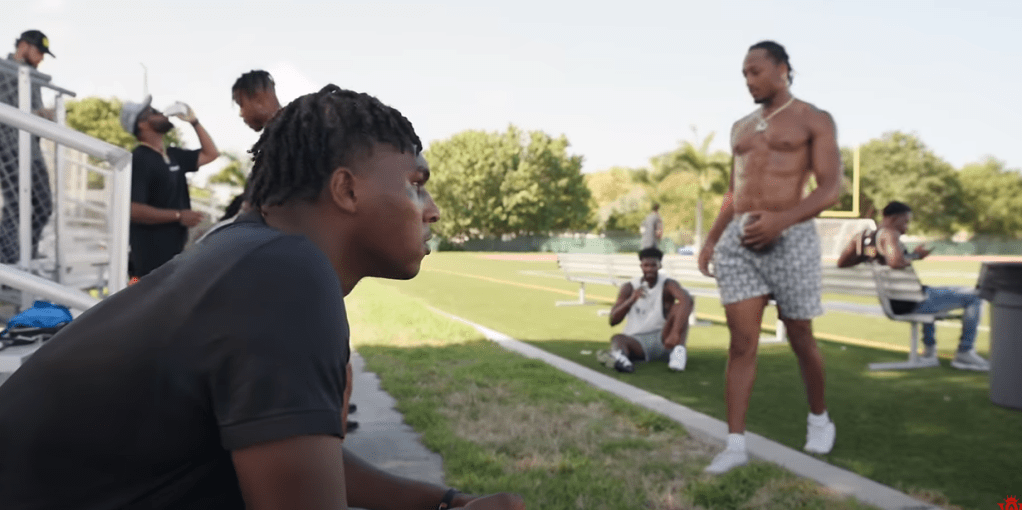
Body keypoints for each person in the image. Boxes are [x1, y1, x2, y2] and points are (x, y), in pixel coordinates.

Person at [0, 86, 524, 510]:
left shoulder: (247, 252)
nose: (430, 209)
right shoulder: (287, 274)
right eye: (415, 185)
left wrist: (444, 502)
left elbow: (292, 456)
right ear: (346, 189)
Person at [697, 41, 842, 474]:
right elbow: (733, 190)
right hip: (739, 243)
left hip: (791, 236)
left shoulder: (814, 119)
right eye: (744, 73)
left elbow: (830, 187)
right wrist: (711, 239)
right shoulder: (740, 127)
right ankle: (735, 443)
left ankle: (819, 418)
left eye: (756, 71)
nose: (748, 80)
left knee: (800, 336)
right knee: (741, 343)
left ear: (782, 70)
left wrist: (781, 222)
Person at [837, 201, 989, 371]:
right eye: (906, 221)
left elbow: (842, 262)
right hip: (910, 301)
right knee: (976, 296)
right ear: (894, 218)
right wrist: (917, 255)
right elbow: (894, 262)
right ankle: (965, 352)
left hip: (899, 299)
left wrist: (868, 256)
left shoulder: (863, 238)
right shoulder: (889, 233)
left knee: (932, 290)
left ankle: (930, 353)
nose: (907, 227)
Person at [120, 95, 219, 280]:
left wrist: (194, 121)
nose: (161, 113)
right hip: (151, 266)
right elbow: (134, 210)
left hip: (173, 259)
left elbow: (211, 153)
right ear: (141, 124)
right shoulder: (140, 158)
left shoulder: (172, 154)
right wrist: (179, 216)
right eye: (153, 112)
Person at [0, 30, 56, 264]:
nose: (42, 57)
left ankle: (24, 255)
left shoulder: (32, 76)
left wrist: (43, 116)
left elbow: (32, 112)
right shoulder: (4, 69)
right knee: (16, 207)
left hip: (31, 149)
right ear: (24, 46)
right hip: (9, 147)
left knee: (43, 205)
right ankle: (8, 264)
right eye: (39, 51)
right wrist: (37, 115)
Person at [597, 247, 692, 373]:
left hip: (664, 339)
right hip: (637, 342)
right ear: (641, 266)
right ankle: (622, 360)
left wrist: (674, 333)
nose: (649, 269)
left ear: (660, 266)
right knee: (617, 339)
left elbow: (687, 300)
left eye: (653, 265)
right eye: (646, 265)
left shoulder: (668, 284)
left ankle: (679, 354)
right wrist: (631, 300)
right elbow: (613, 320)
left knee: (680, 307)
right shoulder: (629, 287)